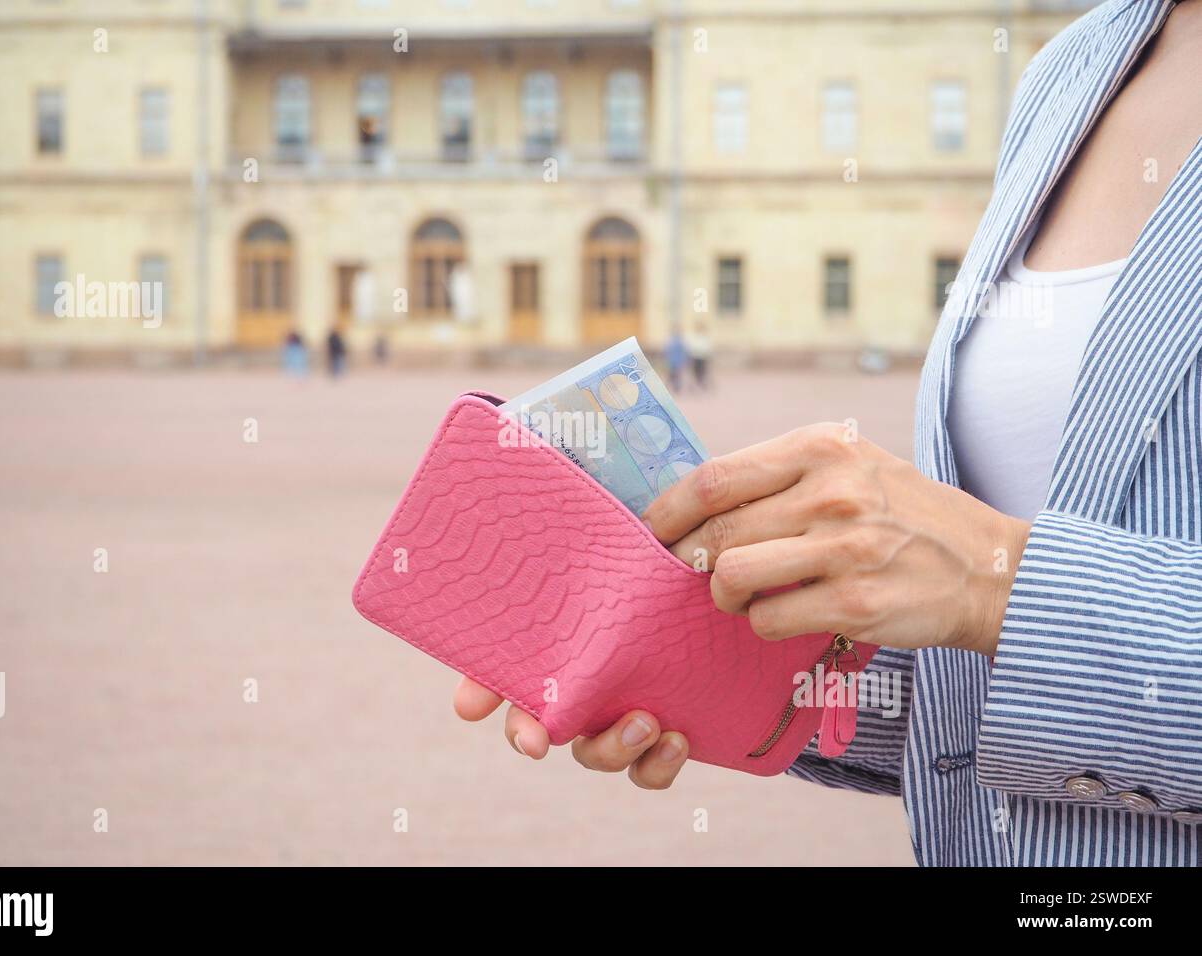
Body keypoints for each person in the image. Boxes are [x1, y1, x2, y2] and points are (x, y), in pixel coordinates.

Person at [452, 0, 1202, 866]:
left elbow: (987, 599)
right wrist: (717, 643)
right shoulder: (1069, 69)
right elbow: (980, 685)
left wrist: (994, 585)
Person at [688, 323, 713, 390]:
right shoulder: (694, 337)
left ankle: (702, 384)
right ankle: (697, 384)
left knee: (703, 372)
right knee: (696, 372)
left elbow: (708, 347)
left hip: (703, 357)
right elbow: (691, 347)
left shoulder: (705, 337)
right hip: (696, 357)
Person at [664, 328, 688, 393]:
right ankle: (672, 388)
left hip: (677, 361)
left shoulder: (679, 342)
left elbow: (684, 352)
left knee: (676, 376)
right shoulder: (671, 341)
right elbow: (667, 352)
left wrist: (683, 361)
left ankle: (676, 388)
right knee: (672, 375)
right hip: (672, 361)